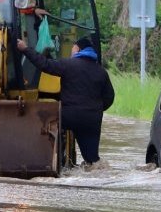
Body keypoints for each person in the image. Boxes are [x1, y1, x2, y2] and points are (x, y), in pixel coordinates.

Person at [16, 34, 115, 166]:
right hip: (92, 120)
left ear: (78, 49)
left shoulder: (68, 64)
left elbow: (44, 64)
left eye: (73, 49)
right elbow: (109, 97)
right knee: (92, 160)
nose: (71, 52)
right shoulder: (101, 71)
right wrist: (95, 109)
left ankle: (50, 160)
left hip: (69, 116)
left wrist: (25, 49)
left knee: (45, 121)